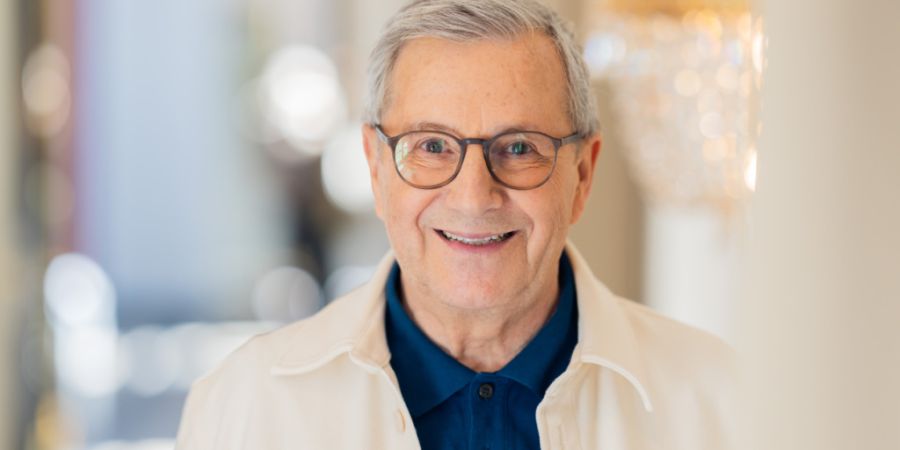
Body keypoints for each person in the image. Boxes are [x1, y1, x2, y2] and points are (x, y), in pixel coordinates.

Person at [175, 0, 736, 449]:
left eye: (519, 147)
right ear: (376, 168)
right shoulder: (245, 406)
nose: (473, 197)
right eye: (432, 146)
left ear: (583, 175)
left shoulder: (726, 401)